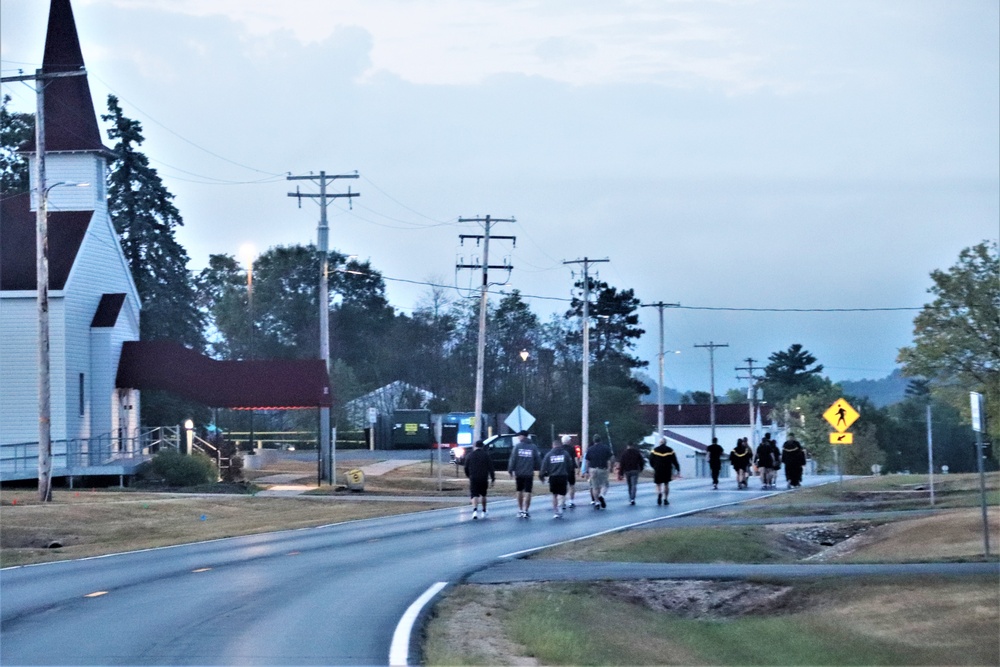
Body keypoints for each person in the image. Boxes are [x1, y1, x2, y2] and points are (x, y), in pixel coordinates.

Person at [507, 430, 541, 518]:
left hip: (519, 473)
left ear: (523, 436)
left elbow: (513, 459)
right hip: (529, 473)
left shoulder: (517, 447)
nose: (518, 437)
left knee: (519, 491)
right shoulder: (533, 447)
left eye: (519, 436)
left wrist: (510, 470)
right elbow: (537, 459)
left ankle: (520, 509)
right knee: (528, 491)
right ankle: (526, 510)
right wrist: (540, 469)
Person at [540, 436, 576, 518]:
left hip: (553, 477)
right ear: (559, 445)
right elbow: (570, 465)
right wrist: (569, 472)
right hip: (563, 476)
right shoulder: (565, 454)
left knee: (554, 495)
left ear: (553, 446)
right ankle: (560, 507)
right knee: (562, 494)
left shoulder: (549, 455)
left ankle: (556, 511)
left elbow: (544, 466)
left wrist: (541, 475)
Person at [463, 439, 495, 519]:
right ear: (482, 446)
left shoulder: (470, 455)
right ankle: (484, 511)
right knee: (483, 495)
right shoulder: (486, 455)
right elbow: (491, 468)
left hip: (473, 477)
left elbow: (466, 467)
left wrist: (468, 475)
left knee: (474, 494)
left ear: (475, 446)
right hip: (483, 477)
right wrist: (492, 478)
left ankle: (475, 511)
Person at [584, 434, 614, 509]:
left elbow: (587, 461)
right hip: (602, 469)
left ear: (594, 440)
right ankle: (602, 495)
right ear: (600, 440)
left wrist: (587, 471)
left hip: (593, 469)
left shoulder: (590, 449)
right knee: (605, 484)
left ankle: (596, 502)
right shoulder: (605, 448)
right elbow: (612, 457)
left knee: (595, 487)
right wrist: (611, 467)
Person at [648, 438, 681, 505]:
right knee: (666, 484)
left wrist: (654, 466)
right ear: (666, 443)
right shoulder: (670, 450)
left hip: (658, 469)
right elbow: (674, 460)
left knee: (658, 484)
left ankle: (659, 493)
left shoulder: (655, 450)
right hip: (667, 469)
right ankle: (665, 499)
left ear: (660, 443)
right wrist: (678, 468)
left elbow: (651, 460)